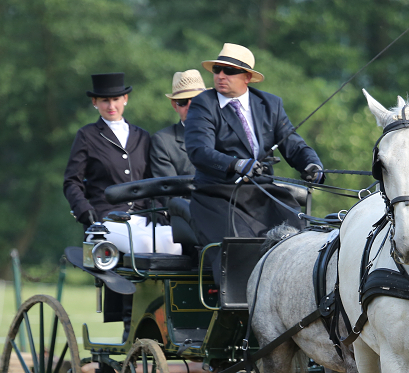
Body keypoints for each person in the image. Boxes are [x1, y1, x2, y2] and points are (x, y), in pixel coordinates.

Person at [184, 43, 326, 251]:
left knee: (297, 236)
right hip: (218, 194)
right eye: (217, 70)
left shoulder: (270, 104)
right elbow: (199, 151)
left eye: (230, 71)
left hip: (263, 192)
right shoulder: (203, 104)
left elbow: (293, 145)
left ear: (247, 77)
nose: (221, 76)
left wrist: (313, 164)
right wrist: (236, 164)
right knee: (242, 248)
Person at [63, 72, 180, 255]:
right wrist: (84, 210)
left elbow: (152, 179)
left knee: (175, 243)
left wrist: (157, 210)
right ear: (95, 102)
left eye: (116, 99)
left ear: (125, 98)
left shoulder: (141, 136)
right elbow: (71, 182)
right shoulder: (87, 136)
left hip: (144, 216)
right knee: (144, 244)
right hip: (107, 219)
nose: (111, 106)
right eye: (104, 101)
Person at [150, 69, 209, 178]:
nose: (190, 106)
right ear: (174, 105)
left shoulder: (224, 131)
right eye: (183, 101)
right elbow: (168, 190)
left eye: (196, 100)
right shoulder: (163, 142)